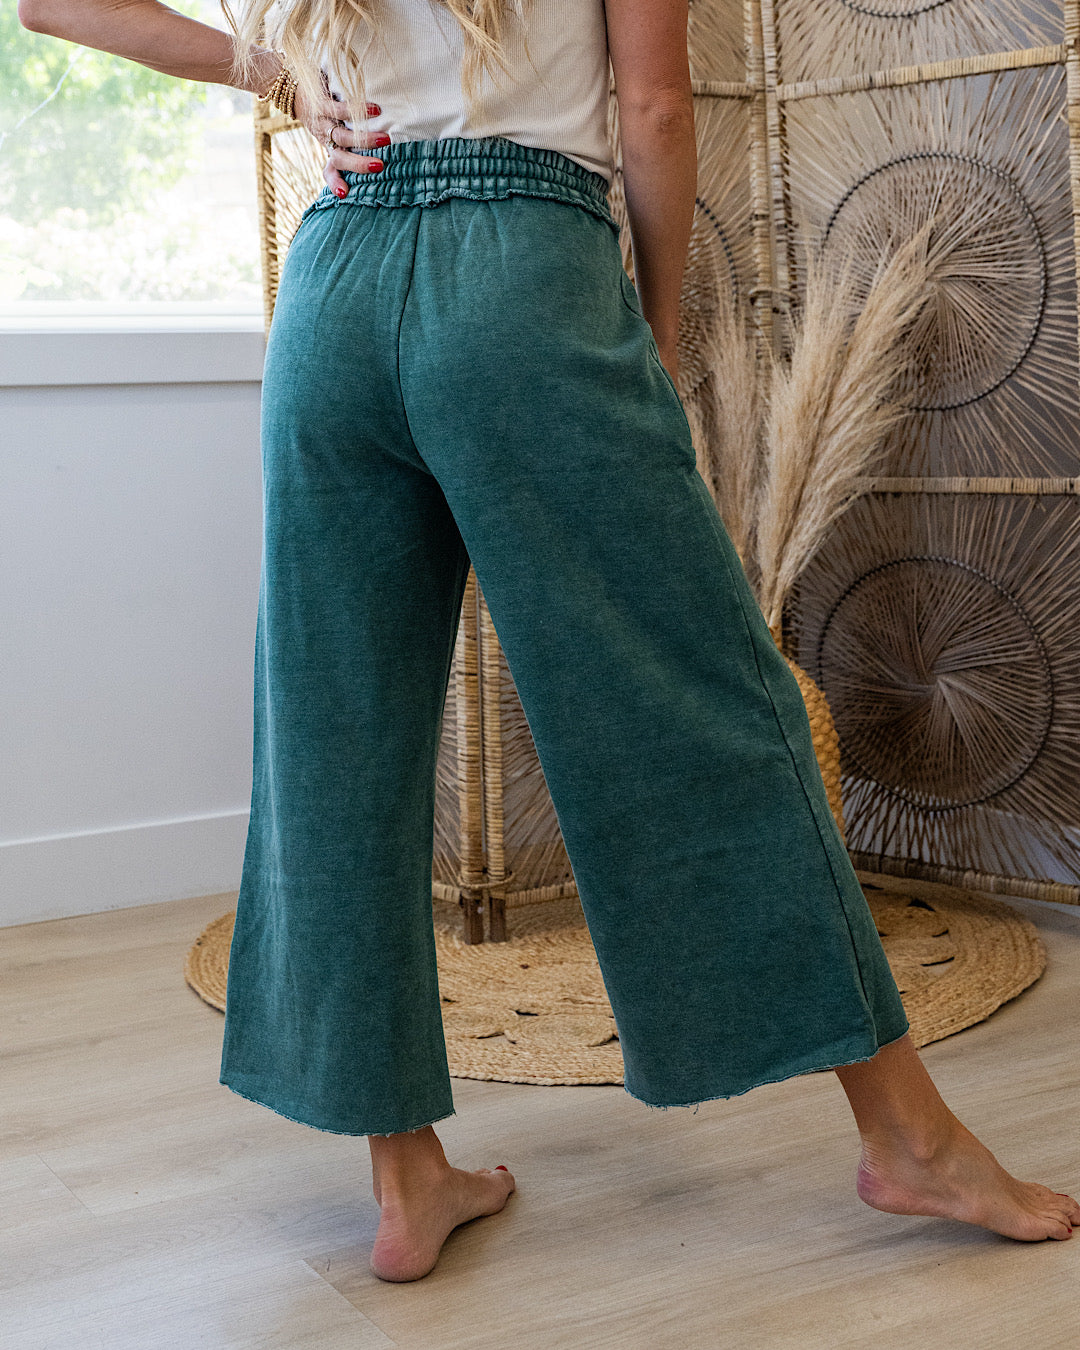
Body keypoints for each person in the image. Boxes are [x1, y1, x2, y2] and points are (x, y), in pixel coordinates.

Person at [20, 0, 1077, 1286]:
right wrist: (657, 337)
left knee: (337, 735)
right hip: (524, 277)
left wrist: (271, 70)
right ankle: (908, 1137)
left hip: (335, 284)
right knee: (702, 708)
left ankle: (404, 1175)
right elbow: (657, 110)